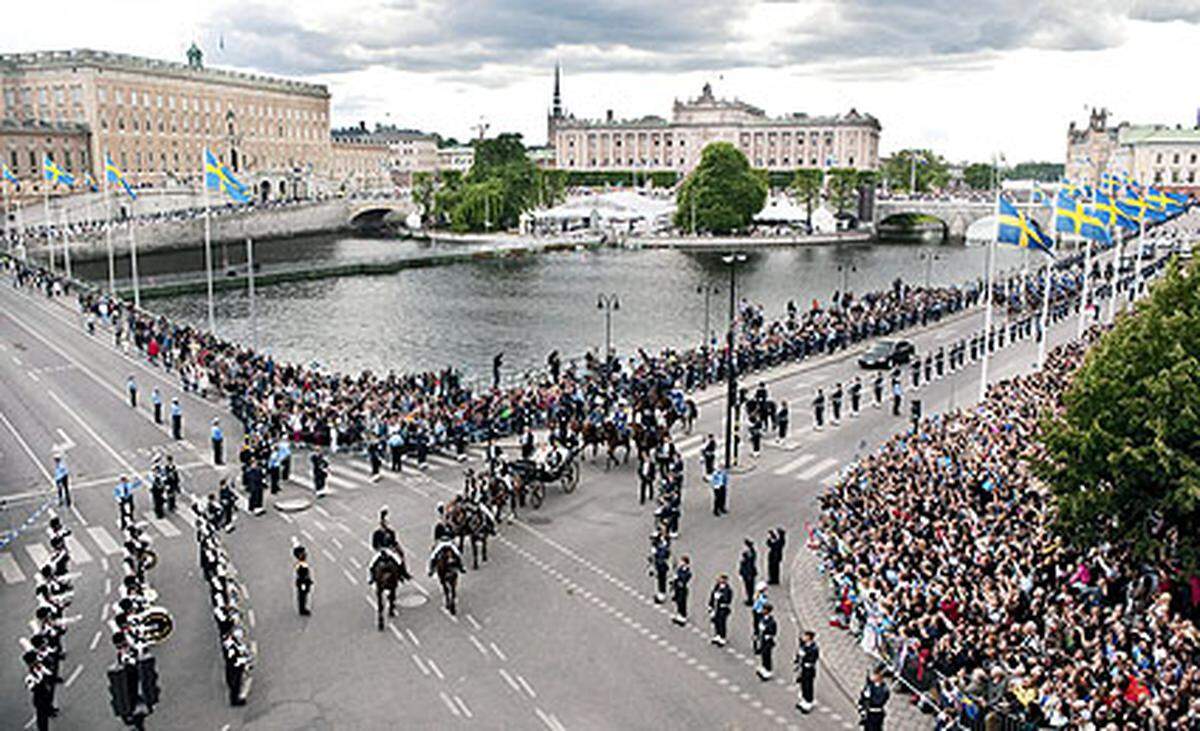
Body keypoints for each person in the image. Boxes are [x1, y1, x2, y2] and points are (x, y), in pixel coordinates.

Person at [794, 631, 819, 713]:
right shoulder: (803, 645)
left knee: (808, 685)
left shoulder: (814, 648)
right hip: (803, 668)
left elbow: (813, 658)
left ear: (809, 637)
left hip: (809, 669)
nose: (803, 637)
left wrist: (805, 655)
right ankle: (804, 699)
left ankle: (808, 701)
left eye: (805, 636)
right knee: (803, 683)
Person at [859, 667, 890, 731]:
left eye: (875, 675)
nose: (873, 677)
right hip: (869, 714)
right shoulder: (870, 685)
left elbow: (879, 701)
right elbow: (863, 699)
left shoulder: (884, 689)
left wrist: (869, 694)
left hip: (876, 714)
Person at [708, 573, 733, 646]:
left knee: (722, 622)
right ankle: (717, 634)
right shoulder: (717, 587)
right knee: (716, 621)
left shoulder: (728, 589)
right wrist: (710, 605)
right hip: (716, 607)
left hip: (723, 608)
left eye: (721, 579)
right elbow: (712, 595)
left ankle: (722, 636)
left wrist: (721, 597)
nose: (719, 580)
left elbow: (727, 600)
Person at [756, 603, 778, 680]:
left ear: (768, 611)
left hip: (768, 641)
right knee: (763, 653)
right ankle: (764, 667)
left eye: (764, 609)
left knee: (767, 655)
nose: (762, 610)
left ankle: (768, 670)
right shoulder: (763, 618)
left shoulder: (772, 621)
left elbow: (773, 631)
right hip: (763, 639)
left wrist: (766, 630)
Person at [649, 534, 671, 603]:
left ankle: (662, 594)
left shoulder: (664, 546)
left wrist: (656, 551)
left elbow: (665, 554)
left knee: (662, 580)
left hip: (662, 566)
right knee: (660, 580)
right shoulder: (660, 543)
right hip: (659, 564)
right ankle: (660, 593)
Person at [671, 555, 691, 625]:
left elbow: (685, 579)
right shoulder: (680, 569)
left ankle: (683, 616)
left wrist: (678, 577)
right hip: (677, 588)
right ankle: (679, 614)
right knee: (678, 601)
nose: (681, 562)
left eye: (682, 561)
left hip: (682, 589)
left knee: (682, 602)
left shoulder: (687, 571)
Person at [294, 545, 312, 616]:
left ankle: (303, 608)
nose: (305, 554)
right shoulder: (301, 564)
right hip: (302, 582)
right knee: (302, 595)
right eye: (303, 553)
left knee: (304, 594)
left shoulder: (302, 563)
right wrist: (306, 581)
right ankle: (302, 609)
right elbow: (303, 574)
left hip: (303, 581)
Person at [737, 538, 757, 606]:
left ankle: (750, 600)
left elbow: (748, 565)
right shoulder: (751, 552)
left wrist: (748, 575)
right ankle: (750, 598)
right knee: (749, 587)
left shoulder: (749, 554)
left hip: (748, 573)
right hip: (749, 573)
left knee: (749, 587)